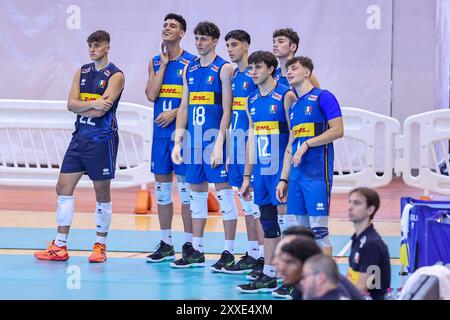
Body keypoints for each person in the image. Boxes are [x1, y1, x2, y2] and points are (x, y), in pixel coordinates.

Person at [34, 30, 125, 263]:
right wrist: (92, 103)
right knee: (63, 187)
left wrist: (87, 105)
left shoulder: (116, 76)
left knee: (102, 193)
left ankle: (100, 245)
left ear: (107, 47)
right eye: (90, 45)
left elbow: (101, 110)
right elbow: (70, 105)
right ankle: (60, 246)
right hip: (80, 139)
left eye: (97, 45)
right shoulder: (81, 71)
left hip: (102, 139)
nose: (92, 49)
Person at [171, 21, 239, 271]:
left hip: (213, 140)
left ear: (214, 41)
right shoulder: (189, 68)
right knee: (196, 197)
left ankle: (229, 251)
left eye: (203, 39)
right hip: (192, 142)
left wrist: (221, 141)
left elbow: (228, 109)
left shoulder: (224, 69)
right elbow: (184, 106)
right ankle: (197, 250)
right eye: (197, 38)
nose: (198, 43)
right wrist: (178, 140)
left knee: (225, 197)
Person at [236, 51, 297, 293]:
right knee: (269, 225)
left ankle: (293, 278)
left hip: (280, 171)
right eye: (251, 67)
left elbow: (294, 134)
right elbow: (252, 138)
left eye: (258, 67)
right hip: (261, 172)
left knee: (288, 226)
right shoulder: (251, 99)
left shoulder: (286, 95)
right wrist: (247, 177)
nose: (253, 71)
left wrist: (285, 175)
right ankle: (269, 274)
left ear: (271, 69)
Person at [276, 56, 344, 257]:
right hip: (296, 177)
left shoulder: (324, 97)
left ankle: (325, 283)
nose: (289, 72)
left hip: (317, 176)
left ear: (307, 72)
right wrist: (283, 179)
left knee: (319, 232)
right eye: (287, 70)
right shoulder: (295, 106)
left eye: (294, 68)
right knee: (302, 236)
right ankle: (304, 280)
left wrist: (307, 144)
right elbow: (290, 145)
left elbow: (338, 130)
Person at [144, 13, 196, 263]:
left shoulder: (192, 63)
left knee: (186, 194)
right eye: (164, 25)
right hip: (160, 137)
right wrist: (163, 64)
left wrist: (175, 112)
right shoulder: (155, 61)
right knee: (163, 193)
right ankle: (166, 243)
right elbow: (151, 95)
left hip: (182, 135)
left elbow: (196, 99)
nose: (167, 28)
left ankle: (189, 245)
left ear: (182, 33)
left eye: (172, 26)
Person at [220, 29, 265, 275]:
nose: (230, 49)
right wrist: (227, 150)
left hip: (253, 149)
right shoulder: (234, 74)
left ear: (246, 46)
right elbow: (232, 115)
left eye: (234, 44)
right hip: (235, 147)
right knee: (246, 205)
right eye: (227, 45)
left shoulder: (255, 74)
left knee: (257, 206)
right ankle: (252, 253)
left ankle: (265, 258)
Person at [277, 236, 363, 300]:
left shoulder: (336, 294)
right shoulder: (305, 288)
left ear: (321, 277)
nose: (301, 281)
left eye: (305, 277)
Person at [347, 187, 391, 300]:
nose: (350, 207)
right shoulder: (358, 239)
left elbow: (360, 288)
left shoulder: (372, 244)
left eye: (357, 203)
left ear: (370, 210)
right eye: (350, 202)